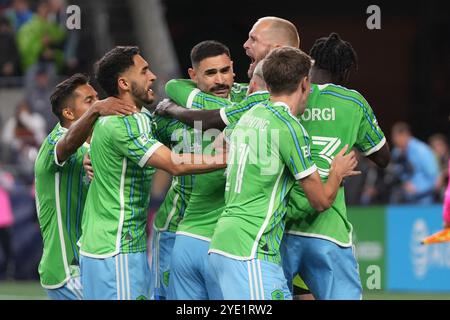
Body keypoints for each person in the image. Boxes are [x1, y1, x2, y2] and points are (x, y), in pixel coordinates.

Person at [208, 47, 359, 300]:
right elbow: (320, 201)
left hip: (224, 242)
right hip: (251, 247)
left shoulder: (251, 114)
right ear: (304, 83)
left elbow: (218, 147)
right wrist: (336, 172)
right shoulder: (290, 127)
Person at [78, 46, 227, 300]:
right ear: (124, 83)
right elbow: (174, 164)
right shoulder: (126, 122)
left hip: (105, 245)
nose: (153, 76)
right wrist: (231, 158)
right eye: (144, 71)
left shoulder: (137, 118)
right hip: (117, 247)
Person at [281, 33, 390, 300]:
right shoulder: (353, 103)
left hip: (280, 227)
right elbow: (383, 158)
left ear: (311, 62)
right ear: (345, 71)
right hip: (327, 228)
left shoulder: (287, 94)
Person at [149, 40, 244, 300]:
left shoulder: (248, 98)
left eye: (225, 70)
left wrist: (176, 107)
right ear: (193, 76)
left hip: (228, 230)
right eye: (211, 73)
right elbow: (138, 145)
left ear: (234, 69)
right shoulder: (167, 118)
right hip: (175, 225)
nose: (221, 80)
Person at [34, 73, 137, 300]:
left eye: (97, 98)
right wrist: (97, 110)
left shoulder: (97, 145)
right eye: (89, 101)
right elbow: (68, 145)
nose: (99, 103)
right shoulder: (54, 142)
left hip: (92, 262)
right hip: (66, 268)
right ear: (68, 113)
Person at [391, 122, 438, 204]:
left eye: (397, 138)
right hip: (404, 199)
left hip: (424, 200)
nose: (395, 141)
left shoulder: (422, 151)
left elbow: (435, 178)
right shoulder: (396, 152)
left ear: (406, 135)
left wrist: (417, 188)